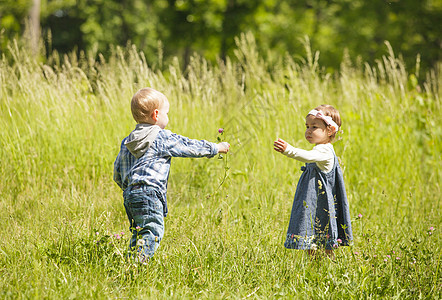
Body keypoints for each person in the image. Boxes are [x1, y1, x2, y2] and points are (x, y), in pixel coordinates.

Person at [114, 87, 230, 263]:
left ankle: (129, 265)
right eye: (166, 113)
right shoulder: (160, 137)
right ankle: (137, 266)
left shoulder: (128, 141)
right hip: (150, 193)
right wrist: (216, 148)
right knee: (152, 232)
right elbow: (189, 147)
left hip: (130, 194)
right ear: (156, 115)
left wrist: (129, 188)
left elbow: (117, 171)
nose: (168, 117)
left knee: (139, 232)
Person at [273, 105, 353, 257]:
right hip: (316, 202)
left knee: (322, 236)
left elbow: (308, 157)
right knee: (315, 237)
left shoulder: (324, 151)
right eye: (307, 126)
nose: (308, 131)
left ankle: (325, 268)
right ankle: (316, 270)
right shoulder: (321, 148)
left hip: (320, 203)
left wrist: (288, 150)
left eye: (314, 127)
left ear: (330, 130)